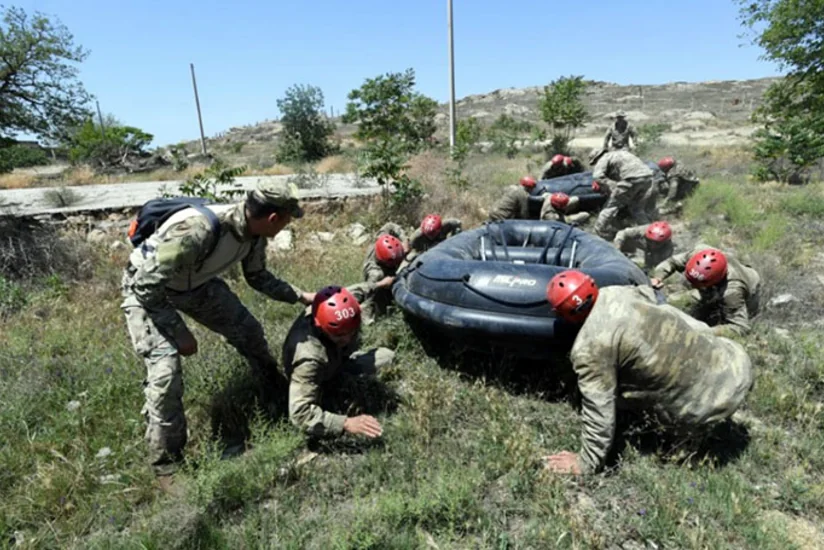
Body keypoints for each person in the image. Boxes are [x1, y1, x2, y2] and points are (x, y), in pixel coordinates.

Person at [121, 181, 315, 483]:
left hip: (194, 284)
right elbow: (145, 284)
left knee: (248, 331)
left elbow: (258, 277)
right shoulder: (199, 230)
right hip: (147, 290)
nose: (288, 224)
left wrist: (301, 296)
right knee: (165, 372)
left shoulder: (253, 233)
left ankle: (275, 389)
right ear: (275, 218)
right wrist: (179, 332)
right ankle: (166, 463)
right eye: (290, 218)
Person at [542, 270, 753, 475]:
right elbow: (651, 293)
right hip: (738, 367)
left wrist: (587, 462)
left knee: (616, 390)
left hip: (710, 406)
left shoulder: (590, 347)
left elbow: (599, 407)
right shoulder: (620, 292)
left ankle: (693, 438)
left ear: (561, 314)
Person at [283, 281, 396, 439]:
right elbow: (300, 414)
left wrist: (382, 283)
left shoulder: (342, 303)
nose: (348, 338)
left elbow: (359, 290)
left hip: (338, 362)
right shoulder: (310, 358)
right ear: (321, 327)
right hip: (321, 380)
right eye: (339, 335)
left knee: (387, 357)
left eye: (352, 330)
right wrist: (345, 423)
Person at [651, 247, 761, 337]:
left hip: (750, 289)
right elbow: (672, 261)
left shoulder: (731, 292)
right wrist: (658, 277)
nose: (691, 286)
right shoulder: (698, 253)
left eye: (696, 284)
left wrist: (704, 332)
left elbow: (741, 327)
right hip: (713, 286)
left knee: (727, 317)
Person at [589, 147, 654, 240]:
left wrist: (611, 185)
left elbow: (597, 176)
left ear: (597, 158)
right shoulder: (624, 153)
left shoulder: (604, 158)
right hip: (648, 178)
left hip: (631, 179)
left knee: (610, 207)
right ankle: (650, 232)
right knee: (637, 209)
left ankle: (599, 232)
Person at [361, 223, 407, 322]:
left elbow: (390, 225)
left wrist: (404, 240)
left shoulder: (382, 237)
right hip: (377, 278)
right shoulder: (375, 273)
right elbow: (368, 288)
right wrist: (383, 284)